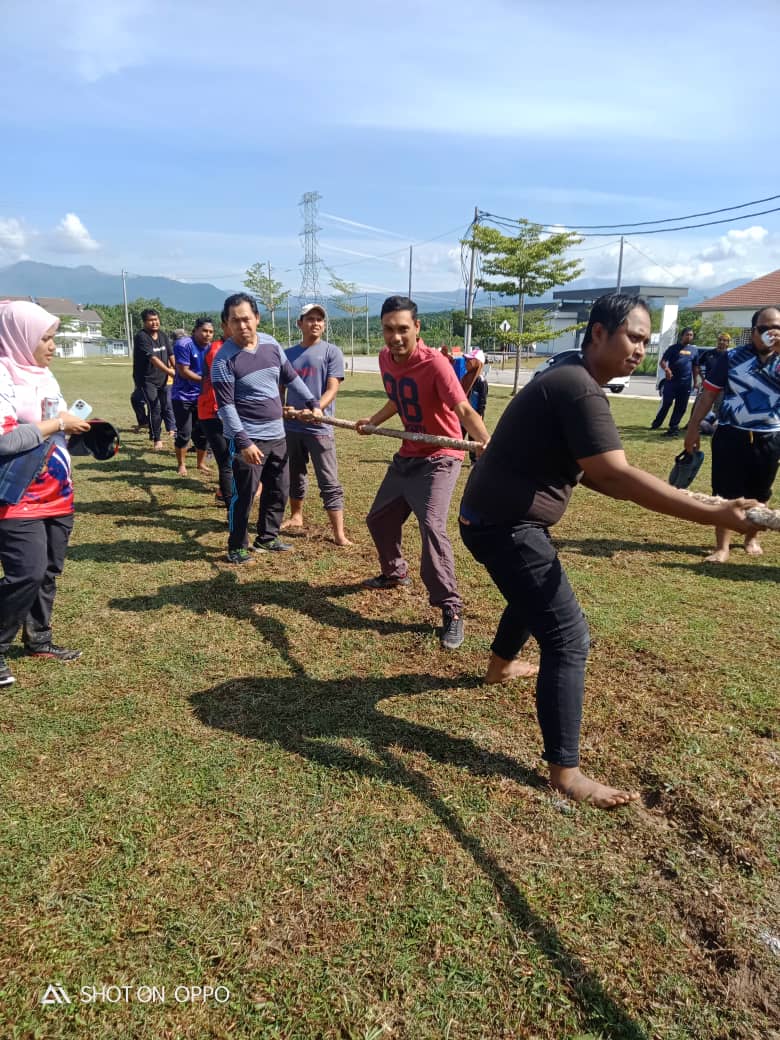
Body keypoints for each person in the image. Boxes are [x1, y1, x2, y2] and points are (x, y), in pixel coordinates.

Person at [458, 294, 762, 808]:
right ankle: (565, 773)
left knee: (534, 589)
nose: (642, 349)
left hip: (496, 519)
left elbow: (597, 470)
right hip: (505, 525)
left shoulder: (570, 377)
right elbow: (614, 474)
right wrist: (714, 513)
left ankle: (500, 665)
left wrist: (699, 500)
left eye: (647, 340)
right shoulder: (578, 389)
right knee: (568, 637)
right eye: (634, 337)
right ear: (598, 333)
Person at [356, 295, 490, 650]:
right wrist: (372, 422)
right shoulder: (386, 359)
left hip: (441, 455)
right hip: (408, 454)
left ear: (417, 328)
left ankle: (451, 609)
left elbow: (462, 407)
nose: (395, 337)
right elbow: (397, 399)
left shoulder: (435, 365)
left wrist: (486, 444)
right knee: (379, 518)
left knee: (431, 527)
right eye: (389, 329)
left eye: (403, 329)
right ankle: (395, 572)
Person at [0, 301, 91, 687]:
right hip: (19, 495)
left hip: (57, 490)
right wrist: (56, 422)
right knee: (26, 572)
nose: (52, 346)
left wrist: (78, 429)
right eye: (46, 338)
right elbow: (5, 440)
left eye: (53, 338)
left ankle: (39, 637)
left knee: (49, 571)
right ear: (21, 337)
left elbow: (54, 427)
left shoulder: (44, 374)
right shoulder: (3, 376)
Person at [211, 293, 322, 564]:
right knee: (244, 495)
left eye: (246, 319)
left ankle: (267, 537)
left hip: (277, 435)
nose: (242, 326)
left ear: (257, 318)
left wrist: (312, 402)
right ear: (226, 325)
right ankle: (237, 546)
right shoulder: (223, 361)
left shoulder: (272, 344)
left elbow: (290, 377)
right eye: (235, 321)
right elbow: (225, 407)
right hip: (248, 439)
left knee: (279, 489)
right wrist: (244, 442)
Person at [684, 306, 780, 563]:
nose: (771, 334)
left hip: (769, 437)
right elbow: (708, 396)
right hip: (730, 433)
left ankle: (751, 537)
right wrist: (693, 429)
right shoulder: (731, 358)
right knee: (725, 492)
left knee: (760, 491)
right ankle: (722, 546)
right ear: (753, 332)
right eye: (764, 329)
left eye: (777, 329)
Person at [282, 303, 351, 546]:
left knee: (328, 480)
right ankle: (296, 516)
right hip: (292, 427)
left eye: (320, 319)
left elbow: (332, 387)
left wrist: (316, 408)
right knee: (295, 473)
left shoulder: (332, 352)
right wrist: (282, 409)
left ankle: (339, 534)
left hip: (319, 428)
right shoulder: (287, 354)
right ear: (299, 323)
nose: (316, 323)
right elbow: (279, 389)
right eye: (310, 319)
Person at [198, 318, 234, 509]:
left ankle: (224, 493)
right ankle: (232, 509)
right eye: (233, 322)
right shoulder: (218, 350)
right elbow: (219, 388)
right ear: (224, 326)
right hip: (214, 413)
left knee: (233, 460)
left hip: (227, 412)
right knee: (226, 461)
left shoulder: (234, 348)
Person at [171, 317, 213, 477]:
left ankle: (200, 463)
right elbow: (183, 371)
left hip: (202, 397)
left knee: (203, 433)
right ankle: (181, 465)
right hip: (182, 397)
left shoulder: (211, 348)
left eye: (210, 332)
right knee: (184, 433)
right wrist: (207, 382)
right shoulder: (183, 345)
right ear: (195, 331)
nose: (207, 335)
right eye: (204, 331)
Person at [133, 308, 175, 450]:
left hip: (162, 379)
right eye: (151, 320)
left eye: (156, 319)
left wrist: (177, 369)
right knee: (154, 407)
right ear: (145, 322)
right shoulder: (142, 337)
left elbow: (170, 354)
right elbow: (153, 359)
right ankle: (157, 439)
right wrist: (170, 371)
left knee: (164, 407)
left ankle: (154, 432)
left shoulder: (162, 336)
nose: (154, 322)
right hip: (146, 380)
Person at [651, 327, 700, 436]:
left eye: (691, 335)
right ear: (682, 336)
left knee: (681, 406)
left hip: (685, 383)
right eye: (687, 334)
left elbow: (695, 367)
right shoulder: (673, 348)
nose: (689, 336)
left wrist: (695, 382)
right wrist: (667, 370)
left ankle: (674, 426)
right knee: (666, 403)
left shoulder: (694, 350)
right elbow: (662, 362)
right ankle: (656, 423)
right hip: (671, 382)